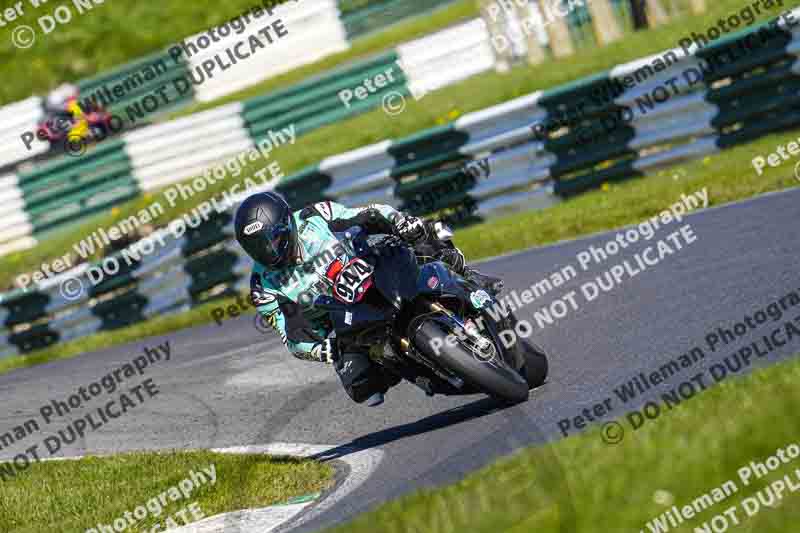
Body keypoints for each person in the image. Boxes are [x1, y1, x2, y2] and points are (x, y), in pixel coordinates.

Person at [234, 192, 501, 406]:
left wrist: (399, 221)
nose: (268, 251)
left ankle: (468, 277)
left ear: (287, 224)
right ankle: (420, 369)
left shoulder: (316, 216)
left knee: (423, 237)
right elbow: (291, 337)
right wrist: (322, 350)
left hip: (375, 272)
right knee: (363, 389)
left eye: (273, 240)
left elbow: (367, 214)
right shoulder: (263, 286)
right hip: (344, 322)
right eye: (257, 248)